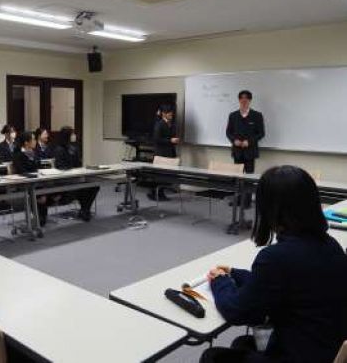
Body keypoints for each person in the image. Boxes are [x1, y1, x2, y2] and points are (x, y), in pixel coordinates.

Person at [201, 166, 347, 363]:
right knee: (242, 343)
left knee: (213, 357)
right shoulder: (330, 245)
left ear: (270, 209)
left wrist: (219, 281)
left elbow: (237, 311)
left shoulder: (276, 257)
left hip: (299, 355)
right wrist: (235, 273)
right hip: (327, 347)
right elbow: (281, 282)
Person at [226, 90, 265, 207]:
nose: (244, 101)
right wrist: (234, 140)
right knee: (237, 177)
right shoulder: (233, 115)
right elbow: (228, 132)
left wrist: (250, 142)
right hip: (237, 151)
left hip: (250, 151)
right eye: (241, 98)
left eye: (246, 99)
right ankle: (237, 199)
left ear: (250, 100)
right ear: (239, 100)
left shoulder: (257, 115)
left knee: (248, 177)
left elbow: (261, 133)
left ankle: (246, 202)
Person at [53, 126, 99, 221]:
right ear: (67, 135)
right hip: (64, 180)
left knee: (94, 186)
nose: (74, 135)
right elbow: (60, 166)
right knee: (82, 189)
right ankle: (85, 211)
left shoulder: (74, 148)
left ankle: (84, 210)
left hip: (75, 178)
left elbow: (78, 164)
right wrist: (72, 169)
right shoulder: (59, 149)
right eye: (72, 134)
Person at [13, 131, 50, 227]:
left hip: (36, 182)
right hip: (25, 184)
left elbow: (38, 166)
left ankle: (40, 216)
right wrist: (35, 175)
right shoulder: (18, 154)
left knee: (49, 188)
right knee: (40, 192)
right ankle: (38, 216)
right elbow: (21, 171)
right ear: (26, 142)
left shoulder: (34, 152)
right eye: (33, 139)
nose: (35, 141)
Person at [148, 104, 179, 201]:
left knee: (165, 175)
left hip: (169, 152)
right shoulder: (159, 124)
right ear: (164, 114)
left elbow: (171, 135)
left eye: (172, 114)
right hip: (161, 153)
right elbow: (156, 139)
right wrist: (170, 140)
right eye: (169, 115)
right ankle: (155, 194)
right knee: (159, 176)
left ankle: (160, 193)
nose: (171, 116)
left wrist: (174, 140)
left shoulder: (171, 124)